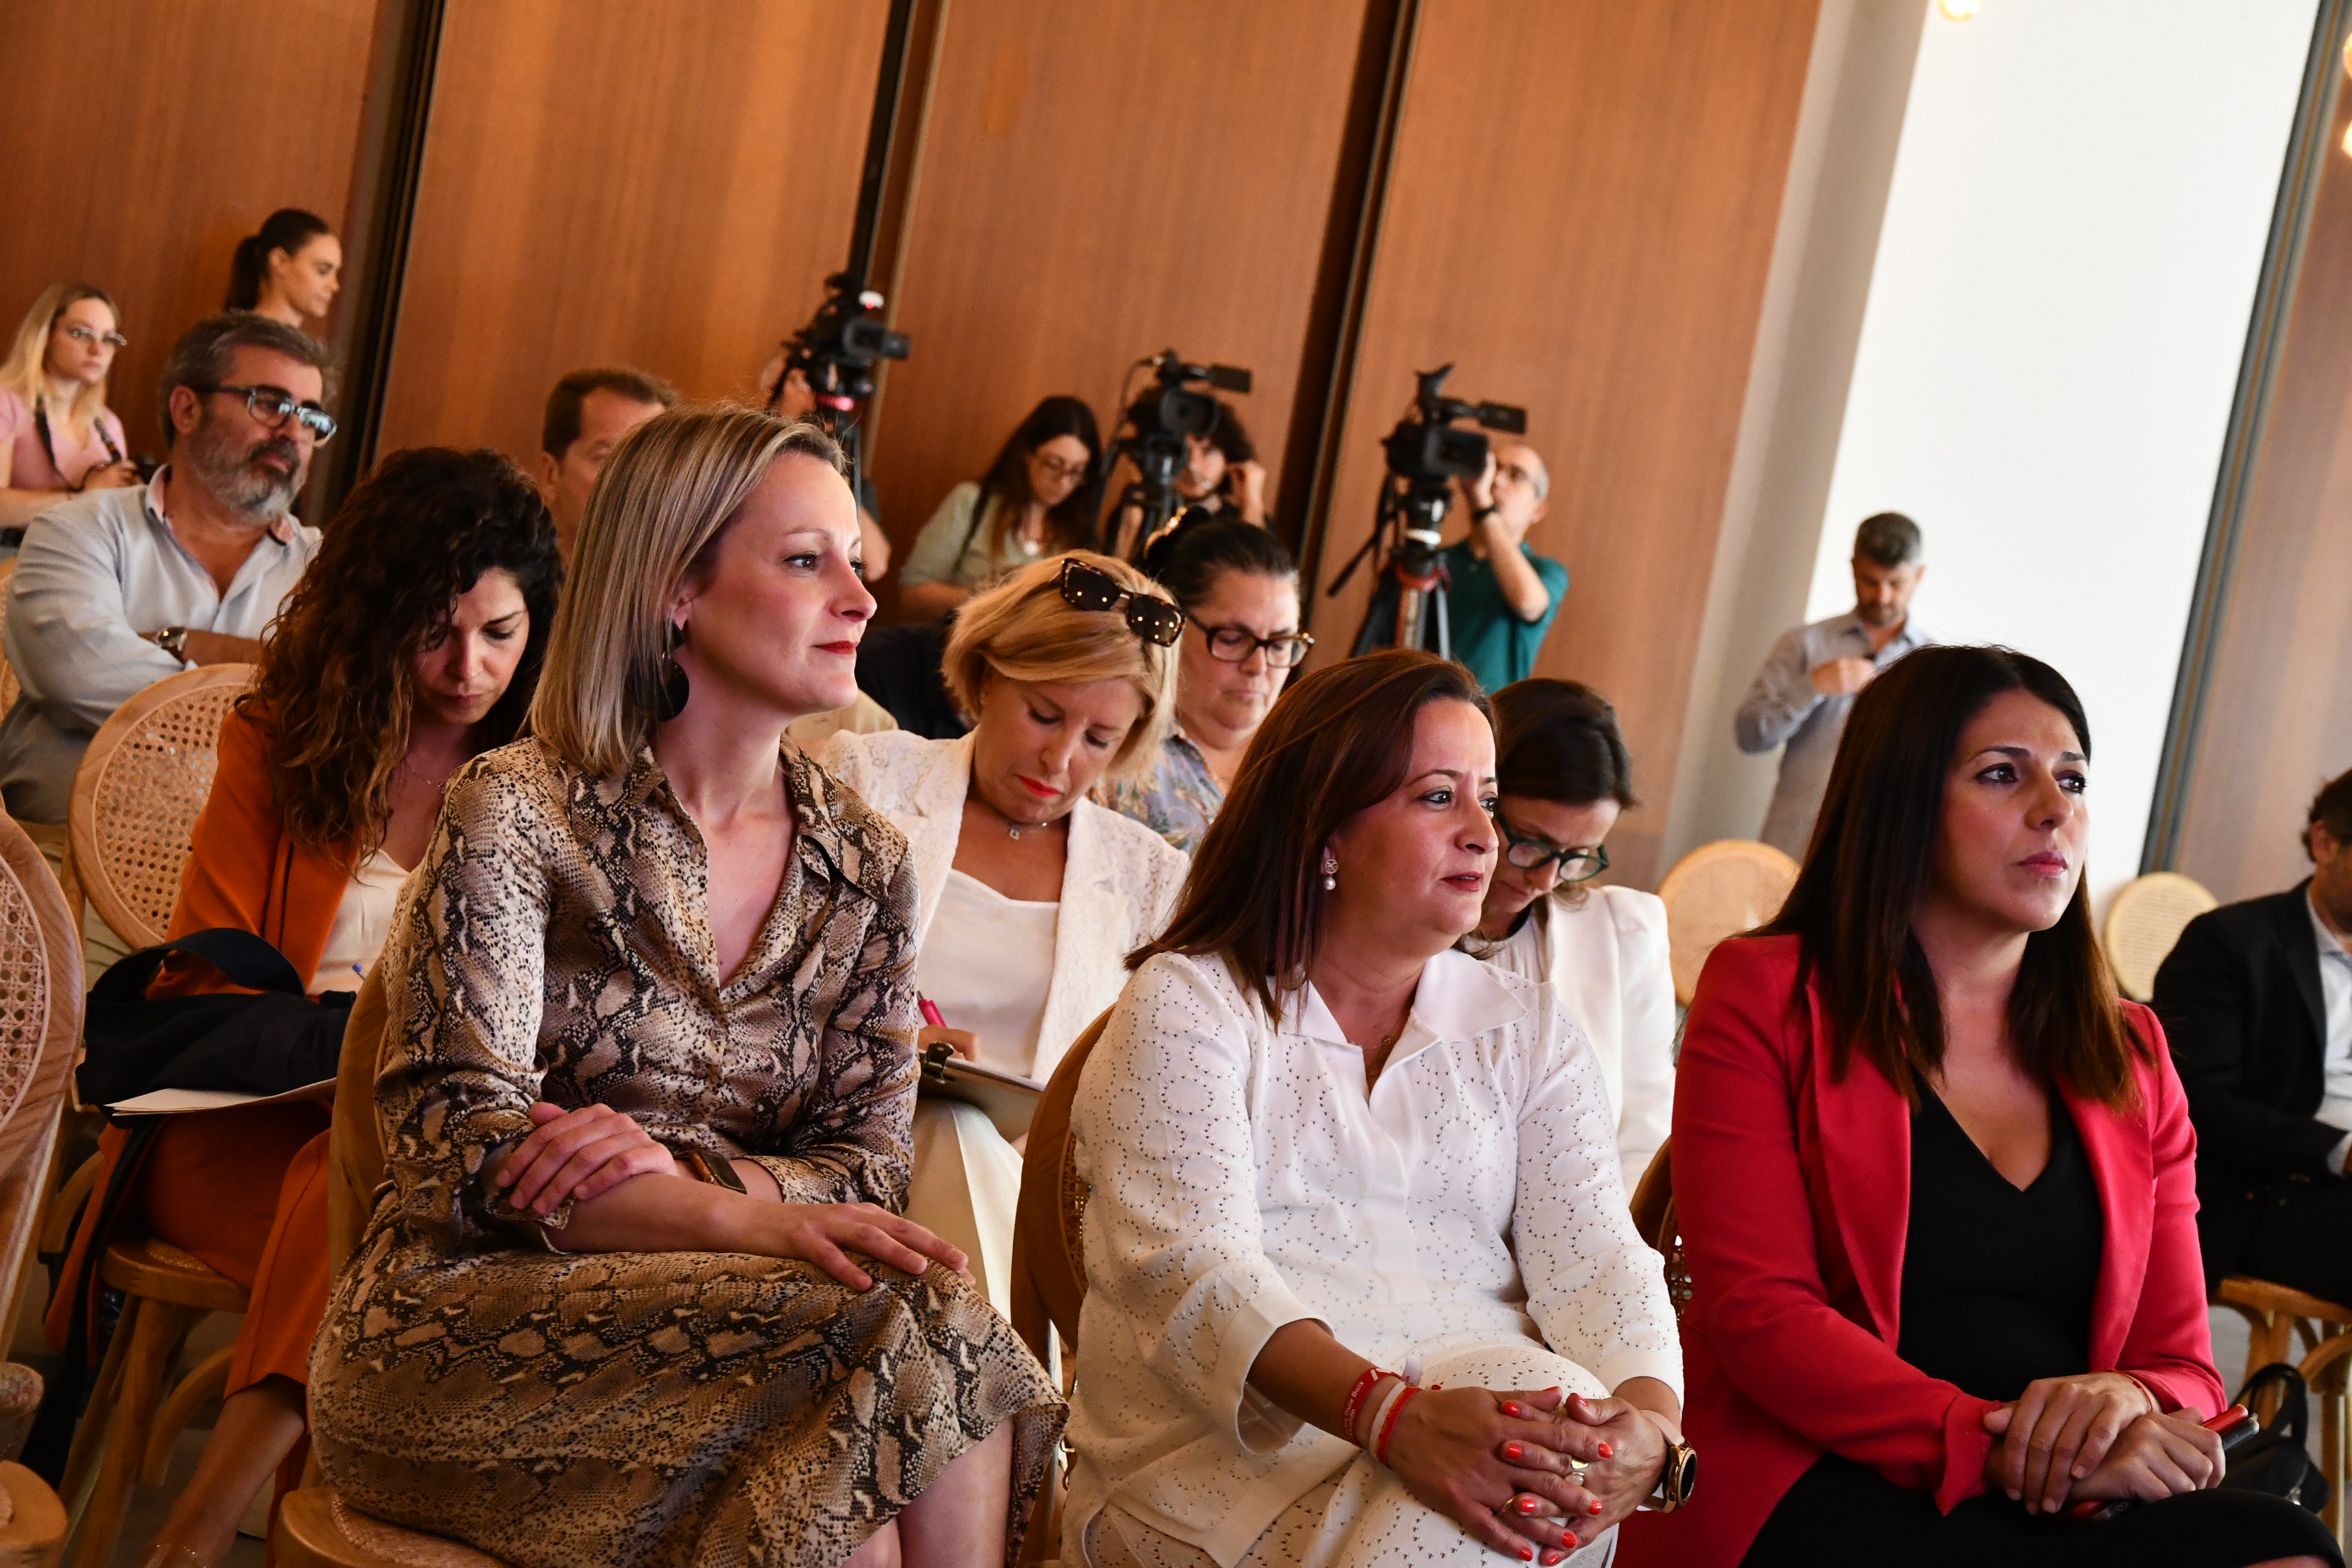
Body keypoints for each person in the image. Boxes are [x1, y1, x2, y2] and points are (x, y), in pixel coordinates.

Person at [308, 406, 1061, 1567]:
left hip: (767, 1335)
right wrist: (733, 1212)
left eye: (854, 561)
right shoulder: (520, 807)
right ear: (675, 589)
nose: (861, 600)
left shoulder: (864, 860)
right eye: (806, 562)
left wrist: (675, 1175)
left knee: (910, 1371)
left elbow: (866, 1170)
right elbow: (456, 1158)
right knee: (880, 1374)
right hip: (462, 1335)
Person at [1630, 645, 2338, 1568]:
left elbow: (2185, 1362)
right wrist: (1995, 1444)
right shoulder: (1770, 992)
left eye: (2072, 779)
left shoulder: (2131, 1051)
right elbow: (1764, 1317)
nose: (2055, 809)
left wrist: (2125, 1400)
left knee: (2285, 1541)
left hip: (2076, 1490)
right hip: (1827, 1462)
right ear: (1901, 801)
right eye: (2003, 774)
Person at [39, 448, 564, 1568]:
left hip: (432, 1147)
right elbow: (208, 979)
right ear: (375, 618)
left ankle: (190, 1538)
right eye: (433, 631)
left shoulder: (550, 778)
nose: (468, 667)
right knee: (376, 1188)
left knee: (380, 1177)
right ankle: (231, 1536)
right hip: (237, 1121)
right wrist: (363, 1048)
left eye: (500, 633)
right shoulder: (281, 738)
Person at [1065, 649, 1685, 1567]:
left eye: (1487, 797)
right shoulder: (1192, 1003)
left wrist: (1652, 1432)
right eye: (1438, 797)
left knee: (1542, 1446)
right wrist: (1392, 1417)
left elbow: (1598, 1261)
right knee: (1514, 1484)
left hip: (1487, 1425)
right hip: (1224, 1462)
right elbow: (1193, 1273)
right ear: (1326, 830)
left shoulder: (1532, 1029)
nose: (1483, 834)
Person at [822, 551, 1188, 1313]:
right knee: (951, 1126)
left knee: (969, 1143)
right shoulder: (868, 780)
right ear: (987, 677)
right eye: (1044, 715)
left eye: (1100, 739)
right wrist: (889, 1046)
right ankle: (1001, 1380)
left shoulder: (1151, 879)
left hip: (1037, 1197)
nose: (1060, 759)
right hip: (841, 1141)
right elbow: (768, 988)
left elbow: (1151, 1104)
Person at [1, 313, 333, 972]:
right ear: (186, 408)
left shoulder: (331, 570)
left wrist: (183, 645)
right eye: (270, 403)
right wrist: (275, 687)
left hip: (252, 902)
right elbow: (81, 673)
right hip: (60, 880)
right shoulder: (79, 531)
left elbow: (345, 703)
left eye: (311, 416)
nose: (293, 431)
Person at [1460, 679, 1670, 1195]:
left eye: (1576, 856)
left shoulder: (1623, 933)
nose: (1546, 879)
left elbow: (1643, 1142)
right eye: (1532, 843)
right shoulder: (1401, 934)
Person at [2159, 767, 2352, 1303]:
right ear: (2325, 843)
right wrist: (2342, 1150)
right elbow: (2198, 1105)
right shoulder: (2229, 943)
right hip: (2269, 1192)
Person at [1099, 516, 1309, 852]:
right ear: (1173, 628)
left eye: (1280, 644)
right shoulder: (1114, 749)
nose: (1258, 665)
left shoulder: (1310, 758)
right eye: (1232, 639)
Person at [1734, 511, 1934, 858]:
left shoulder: (1930, 666)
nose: (1882, 596)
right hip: (1795, 846)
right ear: (1853, 567)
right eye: (1870, 581)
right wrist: (1812, 686)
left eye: (1896, 584)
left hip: (1882, 854)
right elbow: (1750, 736)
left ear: (1919, 576)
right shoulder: (1803, 643)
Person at [897, 395, 1103, 621]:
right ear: (1028, 453)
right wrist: (996, 596)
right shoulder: (973, 502)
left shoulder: (1080, 530)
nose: (1063, 482)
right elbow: (913, 595)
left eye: (1076, 472)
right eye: (1053, 465)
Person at [0, 283, 139, 531]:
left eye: (108, 339)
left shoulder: (108, 425)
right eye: (80, 333)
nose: (97, 349)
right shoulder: (7, 403)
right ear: (46, 336)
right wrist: (82, 496)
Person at [760, 351, 890, 581]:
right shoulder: (740, 463)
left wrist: (834, 476)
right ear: (768, 394)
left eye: (824, 387)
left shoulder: (845, 476)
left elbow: (875, 565)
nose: (814, 396)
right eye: (801, 383)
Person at [536, 367, 675, 559]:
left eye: (650, 463)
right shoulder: (505, 576)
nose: (633, 483)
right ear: (551, 475)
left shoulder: (683, 575)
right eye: (607, 460)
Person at [226, 209, 343, 330]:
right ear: (280, 261)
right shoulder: (248, 338)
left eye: (336, 273)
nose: (334, 286)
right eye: (323, 271)